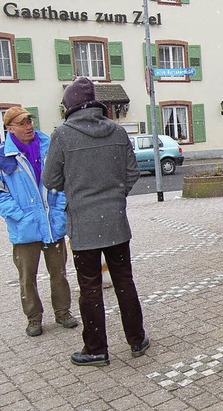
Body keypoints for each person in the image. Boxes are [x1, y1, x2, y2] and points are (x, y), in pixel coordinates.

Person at [42, 77, 148, 366]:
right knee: (124, 280)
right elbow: (132, 173)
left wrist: (77, 191)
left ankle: (96, 349)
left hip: (83, 224)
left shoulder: (62, 135)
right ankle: (137, 340)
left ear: (70, 106)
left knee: (89, 287)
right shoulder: (117, 131)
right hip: (115, 221)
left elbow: (50, 179)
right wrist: (115, 197)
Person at [0, 107, 78, 337]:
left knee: (59, 272)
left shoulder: (49, 147)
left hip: (52, 224)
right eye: (22, 123)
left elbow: (64, 179)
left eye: (29, 121)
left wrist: (58, 207)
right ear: (10, 128)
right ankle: (34, 318)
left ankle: (63, 312)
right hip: (25, 228)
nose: (28, 126)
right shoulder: (4, 155)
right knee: (27, 277)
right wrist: (19, 215)